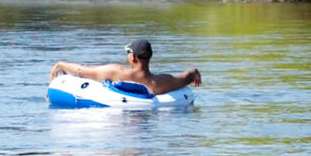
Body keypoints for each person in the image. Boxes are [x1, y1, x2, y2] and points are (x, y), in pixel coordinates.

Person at [49, 39, 201, 95]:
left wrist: (60, 64)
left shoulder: (115, 72)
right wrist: (194, 72)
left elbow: (81, 71)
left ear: (133, 57)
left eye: (128, 52)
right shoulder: (160, 82)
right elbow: (185, 77)